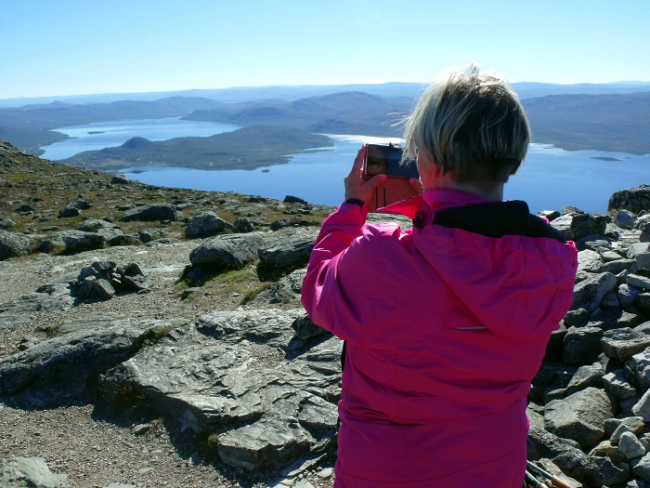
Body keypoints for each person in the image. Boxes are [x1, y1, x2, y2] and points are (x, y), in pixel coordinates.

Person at [301, 66, 578, 488]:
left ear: (428, 159)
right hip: (495, 465)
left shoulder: (381, 259)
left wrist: (352, 207)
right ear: (513, 157)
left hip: (388, 471)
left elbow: (320, 286)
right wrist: (433, 206)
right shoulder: (548, 260)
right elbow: (466, 252)